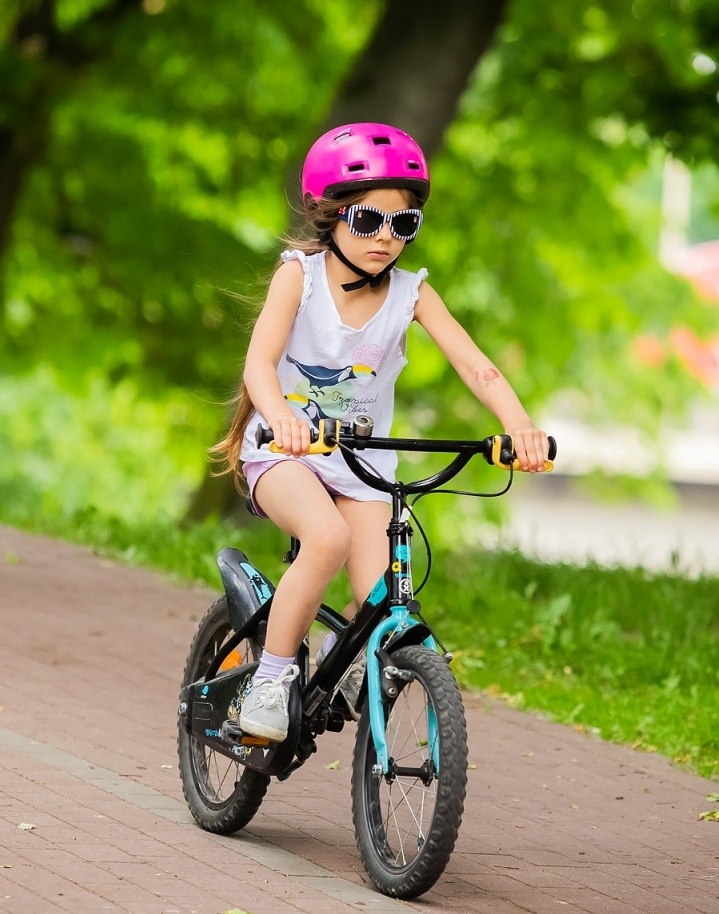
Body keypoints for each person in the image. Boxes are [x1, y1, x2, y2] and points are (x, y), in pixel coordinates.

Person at [207, 123, 552, 742]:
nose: (386, 237)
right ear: (330, 215)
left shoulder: (412, 294)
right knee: (326, 538)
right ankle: (270, 683)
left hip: (361, 466)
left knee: (382, 600)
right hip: (285, 454)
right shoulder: (300, 277)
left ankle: (348, 669)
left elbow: (477, 366)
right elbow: (259, 364)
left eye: (403, 224)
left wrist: (518, 425)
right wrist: (281, 417)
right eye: (369, 220)